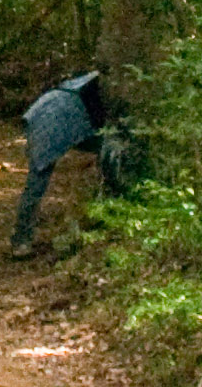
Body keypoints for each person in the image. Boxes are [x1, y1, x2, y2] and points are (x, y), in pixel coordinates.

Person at [11, 70, 128, 258]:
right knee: (37, 181)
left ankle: (22, 240)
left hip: (53, 112)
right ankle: (21, 241)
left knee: (109, 147)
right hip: (51, 119)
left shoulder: (99, 81)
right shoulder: (102, 84)